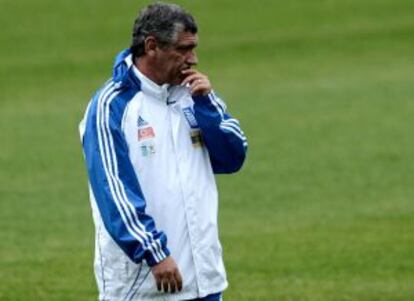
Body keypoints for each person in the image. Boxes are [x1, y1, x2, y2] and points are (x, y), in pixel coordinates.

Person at [79, 3, 247, 300]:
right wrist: (154, 253)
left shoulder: (194, 94)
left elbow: (233, 157)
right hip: (144, 283)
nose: (193, 59)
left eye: (194, 49)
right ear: (152, 46)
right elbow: (113, 191)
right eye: (183, 49)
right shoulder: (111, 107)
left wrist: (206, 107)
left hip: (203, 279)